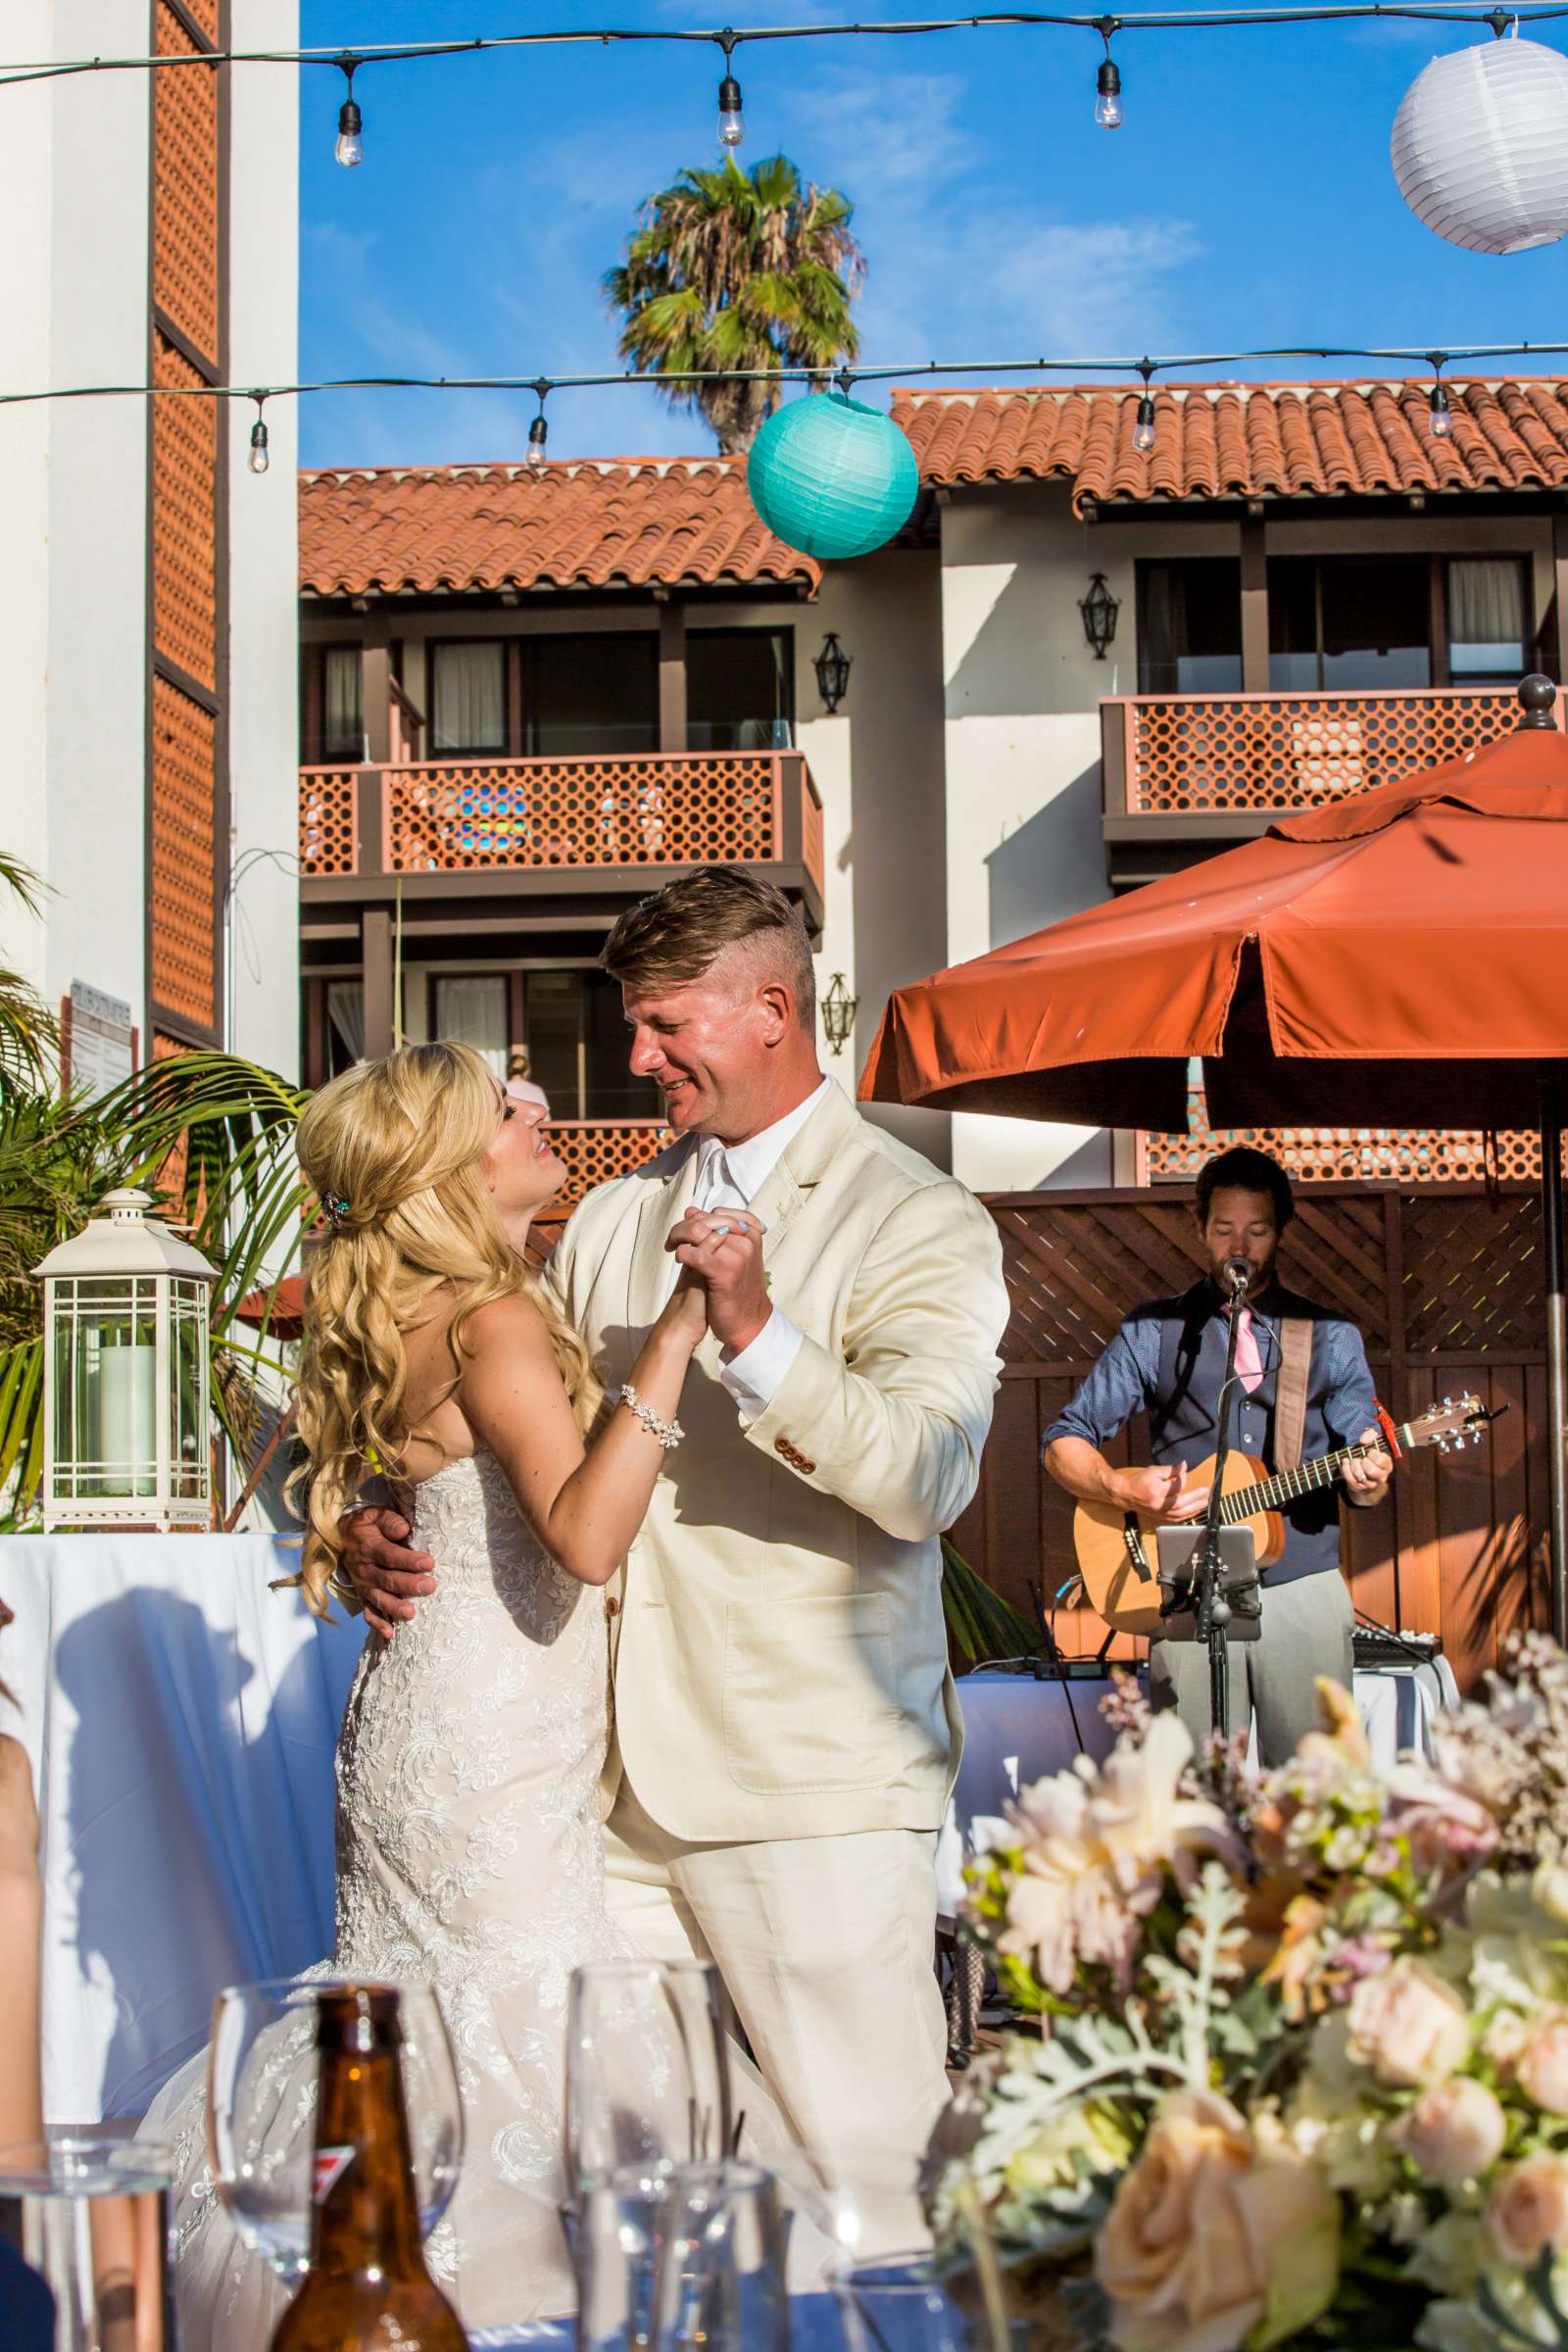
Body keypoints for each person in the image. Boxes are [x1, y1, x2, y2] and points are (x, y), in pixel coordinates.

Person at [341, 865, 1010, 2236]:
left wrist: (761, 1336)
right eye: (633, 1027)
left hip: (803, 1790)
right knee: (632, 2213)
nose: (637, 1060)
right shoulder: (608, 1220)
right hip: (586, 1808)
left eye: (664, 1029)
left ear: (771, 1008)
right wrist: (378, 1511)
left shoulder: (915, 1215)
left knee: (876, 2201)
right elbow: (505, 1443)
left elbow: (931, 1478)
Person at [147, 1039, 726, 2340]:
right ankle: (472, 2305)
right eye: (505, 1111)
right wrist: (681, 1331)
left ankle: (363, 2287)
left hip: (419, 1716)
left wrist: (357, 1521)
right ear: (453, 1168)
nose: (536, 1116)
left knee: (424, 2006)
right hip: (486, 1739)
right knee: (504, 2008)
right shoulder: (494, 1319)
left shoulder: (407, 1313)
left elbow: (398, 1492)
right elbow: (583, 1537)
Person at [1042, 1145, 1392, 1767]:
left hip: (1300, 1583)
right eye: (1225, 1228)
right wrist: (1123, 1492)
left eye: (1256, 1231)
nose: (1240, 1245)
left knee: (1317, 1796)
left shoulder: (1330, 1336)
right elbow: (1063, 1442)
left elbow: (1361, 1448)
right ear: (1201, 1229)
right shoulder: (1154, 1331)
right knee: (1191, 1790)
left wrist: (1369, 1474)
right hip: (1183, 1583)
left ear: (1280, 1232)